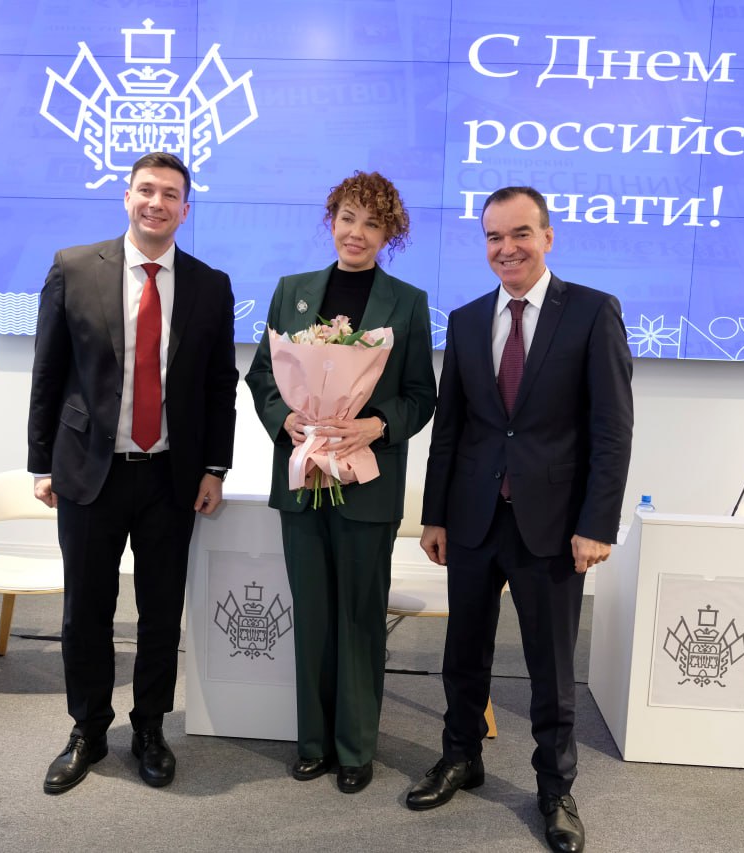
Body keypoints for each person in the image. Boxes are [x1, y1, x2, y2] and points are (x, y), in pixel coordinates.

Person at [407, 186, 633, 852]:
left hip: (554, 524)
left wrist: (597, 524)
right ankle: (460, 757)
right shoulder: (467, 319)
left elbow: (612, 430)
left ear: (548, 236)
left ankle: (555, 788)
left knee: (551, 668)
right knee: (462, 653)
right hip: (473, 517)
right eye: (494, 236)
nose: (506, 248)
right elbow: (451, 428)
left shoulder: (592, 311)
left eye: (520, 233)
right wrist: (434, 515)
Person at [27, 151, 238, 795]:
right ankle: (88, 730)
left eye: (171, 194)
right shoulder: (72, 268)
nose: (157, 203)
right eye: (147, 190)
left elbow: (219, 386)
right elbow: (48, 371)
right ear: (126, 197)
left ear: (185, 209)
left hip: (171, 477)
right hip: (89, 473)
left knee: (160, 613)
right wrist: (41, 462)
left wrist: (215, 467)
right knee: (85, 610)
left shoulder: (210, 285)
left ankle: (150, 728)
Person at [246, 171, 436, 794]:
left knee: (358, 617)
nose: (357, 233)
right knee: (311, 615)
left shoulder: (407, 302)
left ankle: (355, 747)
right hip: (303, 479)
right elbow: (262, 377)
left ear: (390, 234)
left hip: (368, 485)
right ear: (332, 220)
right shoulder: (292, 292)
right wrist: (286, 419)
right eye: (348, 218)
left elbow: (421, 395)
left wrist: (376, 426)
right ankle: (312, 743)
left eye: (373, 223)